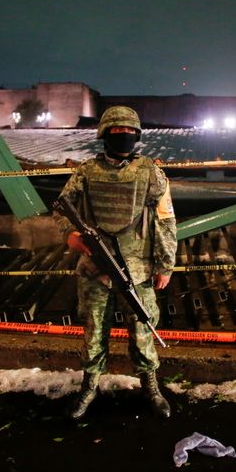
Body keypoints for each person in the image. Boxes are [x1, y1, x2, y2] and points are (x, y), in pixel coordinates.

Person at [53, 105, 177, 419]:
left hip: (138, 269)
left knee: (142, 329)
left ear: (137, 136)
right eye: (117, 132)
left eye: (129, 133)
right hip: (95, 267)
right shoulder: (85, 171)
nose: (123, 137)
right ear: (104, 134)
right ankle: (89, 386)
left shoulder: (150, 172)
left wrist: (165, 264)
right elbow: (61, 207)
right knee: (94, 331)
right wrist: (71, 236)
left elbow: (165, 221)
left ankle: (150, 386)